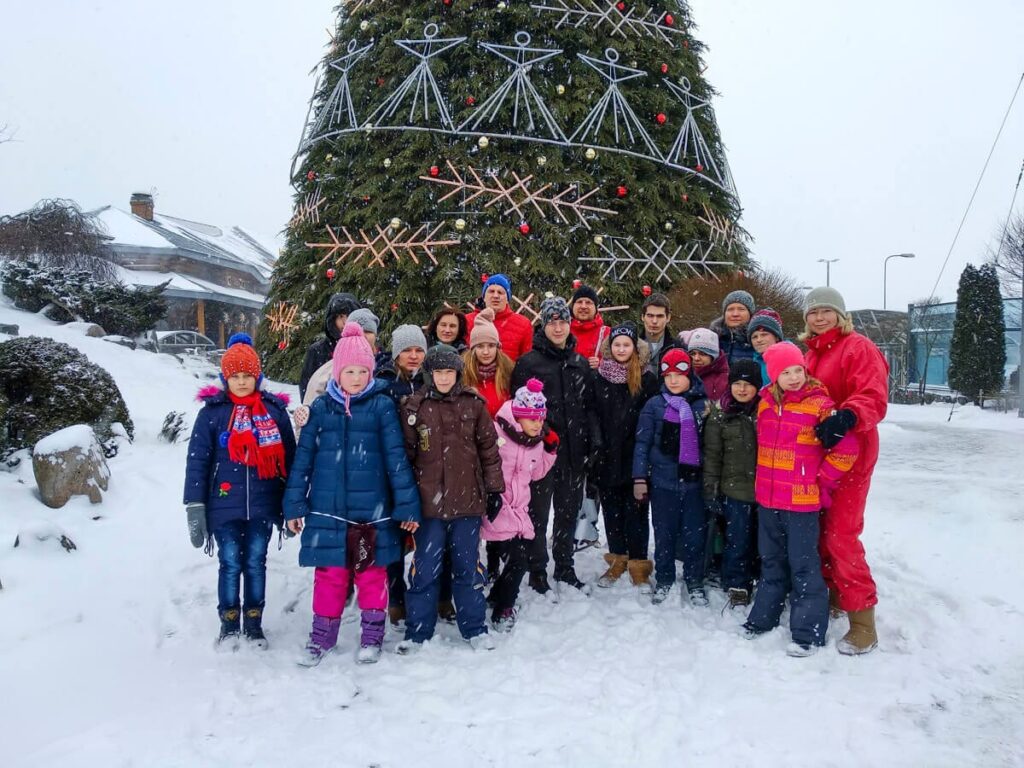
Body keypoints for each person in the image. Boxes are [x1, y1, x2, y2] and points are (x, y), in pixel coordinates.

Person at [283, 323, 421, 665]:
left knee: (373, 576)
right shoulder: (319, 410)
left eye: (363, 371)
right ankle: (321, 638)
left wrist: (406, 505)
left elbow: (396, 460)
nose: (356, 378)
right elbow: (303, 462)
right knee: (329, 576)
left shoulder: (381, 407)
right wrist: (294, 504)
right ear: (337, 372)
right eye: (350, 371)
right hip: (327, 511)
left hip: (371, 514)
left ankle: (372, 637)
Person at [743, 342, 859, 657]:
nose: (794, 377)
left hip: (802, 504)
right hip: (768, 501)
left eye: (798, 370)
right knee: (771, 561)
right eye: (785, 372)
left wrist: (823, 481)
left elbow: (847, 449)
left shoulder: (820, 405)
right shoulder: (765, 404)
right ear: (774, 376)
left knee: (804, 565)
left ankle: (808, 633)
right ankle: (763, 618)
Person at [184, 334, 296, 650]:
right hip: (223, 504)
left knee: (256, 562)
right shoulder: (212, 414)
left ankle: (254, 623)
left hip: (264, 503)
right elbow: (197, 461)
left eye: (248, 375)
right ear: (225, 378)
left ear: (258, 376)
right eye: (236, 376)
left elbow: (289, 458)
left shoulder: (274, 412)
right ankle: (230, 622)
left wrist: (291, 502)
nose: (242, 381)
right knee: (230, 562)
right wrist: (194, 504)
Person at [398, 344, 505, 653]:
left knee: (468, 569)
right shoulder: (414, 407)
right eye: (438, 373)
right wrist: (406, 502)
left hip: (467, 503)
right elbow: (405, 458)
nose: (444, 378)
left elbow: (489, 450)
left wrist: (494, 488)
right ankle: (418, 631)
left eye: (449, 372)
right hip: (428, 507)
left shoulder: (473, 405)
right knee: (425, 569)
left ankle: (474, 629)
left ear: (457, 373)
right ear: (429, 375)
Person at [802, 286, 888, 655]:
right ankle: (834, 594)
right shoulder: (810, 355)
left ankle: (863, 620)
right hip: (819, 457)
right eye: (813, 312)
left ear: (840, 315)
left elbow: (872, 395)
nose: (820, 318)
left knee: (841, 534)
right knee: (819, 529)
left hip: (853, 454)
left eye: (826, 311)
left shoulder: (858, 348)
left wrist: (848, 416)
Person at [511, 297, 602, 594]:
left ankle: (564, 566)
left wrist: (593, 440)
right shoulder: (529, 363)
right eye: (553, 321)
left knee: (567, 512)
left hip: (575, 453)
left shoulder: (578, 362)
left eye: (563, 321)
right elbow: (519, 408)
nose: (559, 327)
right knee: (538, 514)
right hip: (541, 454)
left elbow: (590, 407)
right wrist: (544, 433)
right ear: (544, 325)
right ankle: (537, 568)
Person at [633, 348, 709, 606]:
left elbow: (710, 445)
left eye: (679, 374)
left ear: (690, 375)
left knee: (694, 535)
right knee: (664, 533)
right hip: (663, 482)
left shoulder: (702, 405)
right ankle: (664, 577)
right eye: (668, 376)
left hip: (694, 483)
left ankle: (694, 579)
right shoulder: (654, 405)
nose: (674, 380)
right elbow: (642, 443)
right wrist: (640, 478)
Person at [481, 379, 559, 631]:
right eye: (533, 418)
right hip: (497, 507)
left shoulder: (534, 442)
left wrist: (550, 451)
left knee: (519, 560)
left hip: (519, 510)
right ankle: (504, 608)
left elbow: (535, 475)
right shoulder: (496, 432)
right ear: (518, 416)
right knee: (519, 560)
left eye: (541, 418)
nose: (539, 423)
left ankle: (496, 596)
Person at [592, 323, 660, 590]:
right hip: (608, 455)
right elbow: (593, 412)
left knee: (637, 511)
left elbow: (651, 416)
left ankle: (639, 563)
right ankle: (618, 557)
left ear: (635, 348)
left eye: (626, 344)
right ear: (611, 347)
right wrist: (597, 444)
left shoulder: (647, 377)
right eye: (617, 344)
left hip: (635, 456)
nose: (621, 349)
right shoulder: (600, 376)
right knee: (611, 511)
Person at [702, 359, 762, 608]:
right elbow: (712, 455)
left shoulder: (765, 412)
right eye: (737, 383)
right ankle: (737, 583)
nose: (742, 389)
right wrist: (711, 488)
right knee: (737, 539)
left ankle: (763, 579)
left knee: (764, 541)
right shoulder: (720, 414)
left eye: (748, 384)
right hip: (734, 490)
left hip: (766, 491)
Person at [293, 307, 385, 434]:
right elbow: (308, 417)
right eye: (358, 330)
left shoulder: (386, 367)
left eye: (368, 331)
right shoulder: (327, 372)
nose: (362, 335)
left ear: (375, 335)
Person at [299, 292, 361, 401]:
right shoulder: (317, 351)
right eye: (341, 316)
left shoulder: (363, 349)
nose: (345, 322)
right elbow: (307, 389)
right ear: (332, 319)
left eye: (349, 316)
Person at [465, 274, 534, 361]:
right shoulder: (467, 321)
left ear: (507, 299)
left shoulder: (523, 324)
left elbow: (527, 361)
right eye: (491, 291)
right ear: (484, 297)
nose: (496, 296)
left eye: (500, 292)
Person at [461, 307, 515, 419]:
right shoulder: (463, 373)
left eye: (491, 346)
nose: (486, 352)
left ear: (497, 347)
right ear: (473, 349)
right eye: (480, 346)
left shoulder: (508, 372)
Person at [379, 323, 428, 407]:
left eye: (419, 350)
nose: (413, 356)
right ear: (396, 355)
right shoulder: (383, 382)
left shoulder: (431, 380)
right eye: (406, 350)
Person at [685, 327, 730, 405]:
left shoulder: (725, 380)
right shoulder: (683, 376)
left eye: (703, 354)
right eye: (692, 353)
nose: (696, 358)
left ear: (713, 356)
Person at [639, 292, 682, 373]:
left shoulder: (678, 348)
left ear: (668, 317)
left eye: (660, 316)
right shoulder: (631, 347)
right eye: (650, 315)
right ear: (642, 317)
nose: (654, 321)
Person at [711, 290, 756, 365]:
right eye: (730, 309)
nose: (735, 314)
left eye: (741, 309)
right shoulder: (712, 339)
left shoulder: (760, 339)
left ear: (750, 313)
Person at [569, 283, 607, 368]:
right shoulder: (562, 331)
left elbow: (619, 363)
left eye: (588, 302)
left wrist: (602, 364)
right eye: (579, 302)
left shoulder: (606, 334)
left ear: (596, 308)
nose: (583, 306)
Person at [748, 307, 784, 386]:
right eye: (754, 337)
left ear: (777, 337)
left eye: (764, 335)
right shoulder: (753, 362)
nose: (759, 340)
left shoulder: (788, 359)